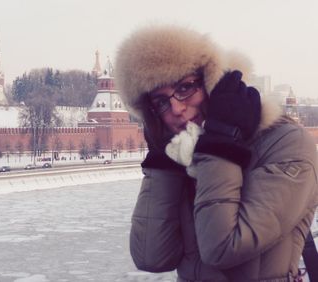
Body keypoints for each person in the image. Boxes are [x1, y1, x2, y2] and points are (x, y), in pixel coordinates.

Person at [114, 24, 318, 281]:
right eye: (161, 102)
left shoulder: (286, 143)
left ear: (213, 82)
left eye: (186, 87)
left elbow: (223, 248)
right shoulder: (185, 151)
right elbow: (152, 256)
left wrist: (221, 144)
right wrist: (162, 162)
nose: (176, 109)